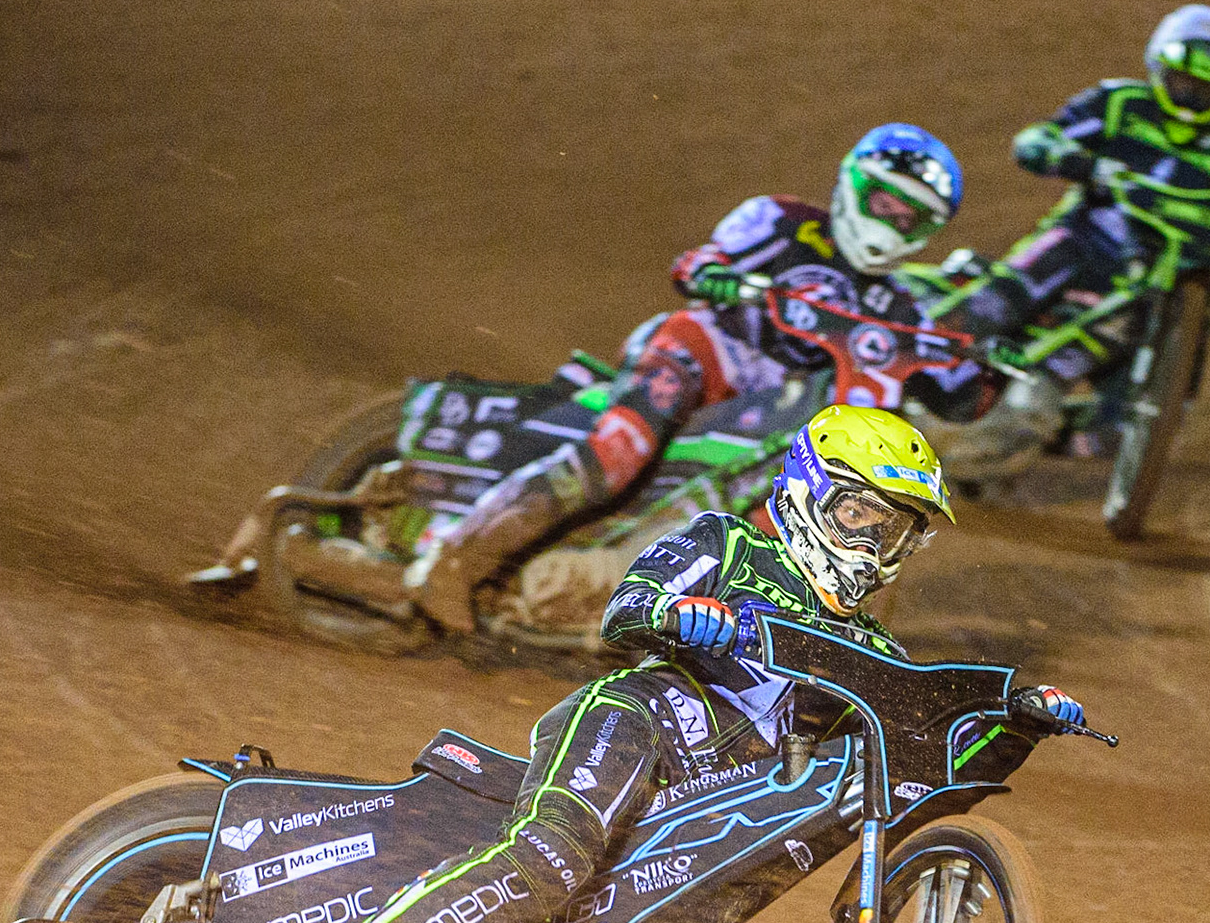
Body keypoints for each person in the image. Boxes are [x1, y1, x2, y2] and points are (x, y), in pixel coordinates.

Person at [274, 405, 1087, 923]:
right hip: (639, 725)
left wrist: (1012, 722)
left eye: (897, 528)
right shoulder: (733, 546)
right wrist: (685, 616)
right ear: (809, 492)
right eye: (860, 515)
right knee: (551, 858)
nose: (876, 541)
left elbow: (912, 764)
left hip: (699, 815)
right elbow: (627, 607)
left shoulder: (873, 647)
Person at [406, 122, 972, 632]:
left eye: (911, 218)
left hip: (784, 413)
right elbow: (697, 261)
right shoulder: (785, 221)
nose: (894, 223)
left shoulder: (902, 306)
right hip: (711, 350)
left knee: (792, 506)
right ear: (854, 185)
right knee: (620, 451)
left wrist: (988, 368)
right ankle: (459, 558)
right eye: (886, 203)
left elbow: (959, 394)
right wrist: (716, 275)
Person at [930, 5, 1210, 471]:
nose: (1191, 91)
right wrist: (1073, 159)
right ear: (1158, 66)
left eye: (1206, 85)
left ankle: (1003, 438)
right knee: (983, 311)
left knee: (1111, 426)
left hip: (1152, 291)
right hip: (1077, 245)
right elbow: (1037, 140)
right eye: (1183, 77)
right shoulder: (1119, 104)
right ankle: (888, 367)